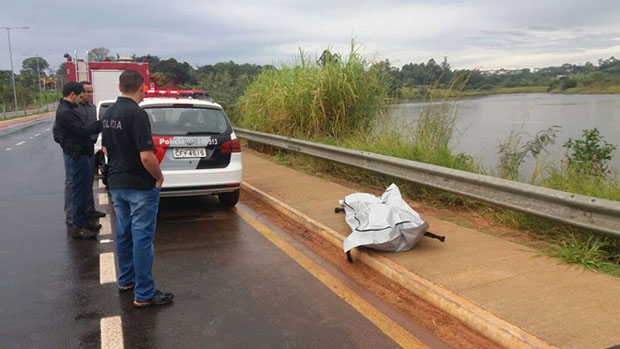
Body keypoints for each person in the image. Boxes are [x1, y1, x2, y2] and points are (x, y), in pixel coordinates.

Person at [101, 70, 173, 307]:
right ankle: (144, 293)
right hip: (139, 186)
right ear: (141, 87)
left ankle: (126, 281)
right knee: (142, 239)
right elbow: (147, 156)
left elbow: (106, 150)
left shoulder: (109, 112)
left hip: (117, 183)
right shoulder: (137, 114)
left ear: (120, 86)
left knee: (124, 234)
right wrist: (159, 177)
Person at [54, 81, 103, 239]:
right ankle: (78, 225)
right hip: (76, 154)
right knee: (78, 190)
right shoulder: (66, 112)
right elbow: (81, 131)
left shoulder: (71, 109)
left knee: (84, 187)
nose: (83, 98)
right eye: (81, 95)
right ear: (72, 94)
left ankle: (84, 219)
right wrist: (100, 125)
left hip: (82, 152)